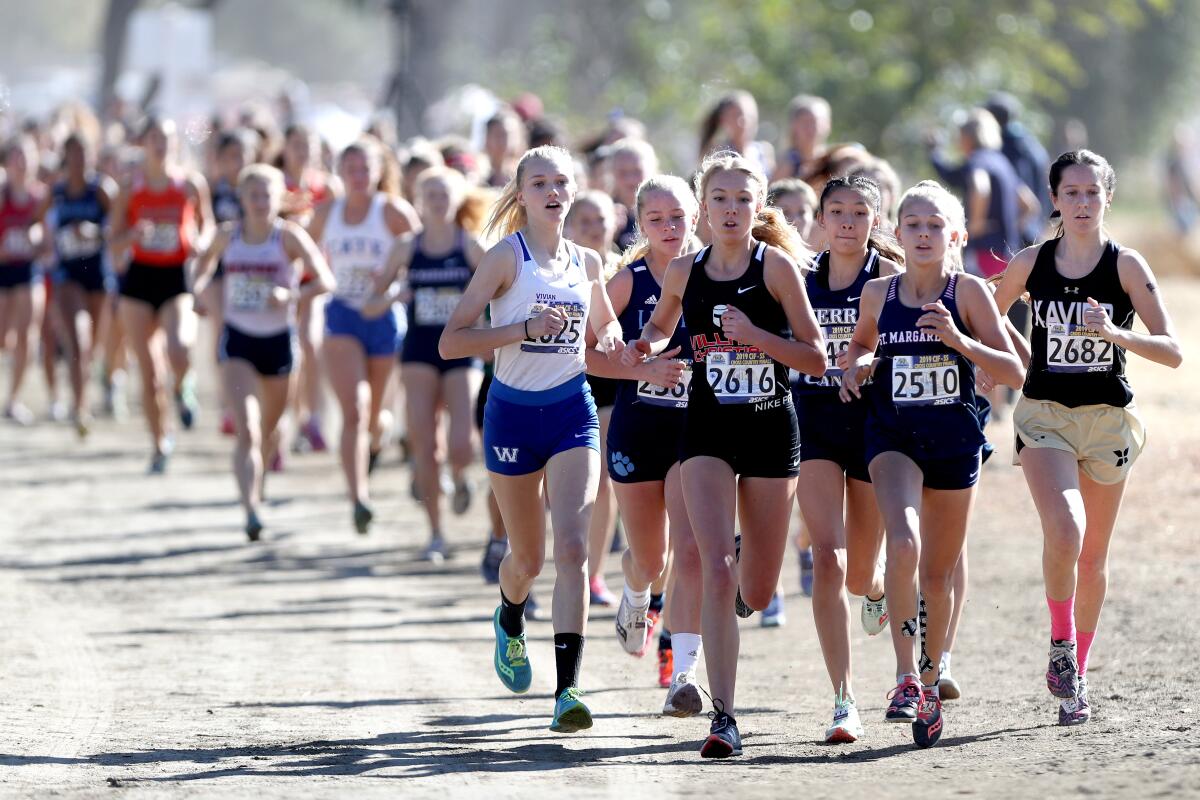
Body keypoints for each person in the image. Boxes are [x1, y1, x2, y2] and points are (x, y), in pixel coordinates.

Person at [624, 150, 825, 757]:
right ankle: (725, 718)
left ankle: (743, 579)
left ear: (758, 206)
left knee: (756, 592)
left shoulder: (778, 269)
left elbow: (815, 356)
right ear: (703, 208)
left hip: (768, 429)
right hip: (706, 429)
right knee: (711, 565)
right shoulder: (684, 270)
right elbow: (662, 324)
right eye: (719, 200)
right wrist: (645, 346)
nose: (731, 210)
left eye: (742, 200)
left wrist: (758, 338)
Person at [990, 150, 1182, 726]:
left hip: (1108, 421)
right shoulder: (1030, 263)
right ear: (1053, 199)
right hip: (1045, 414)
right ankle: (1060, 643)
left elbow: (1172, 350)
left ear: (1107, 199)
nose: (1081, 203)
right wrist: (1016, 358)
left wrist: (1117, 334)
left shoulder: (1125, 266)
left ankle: (1077, 679)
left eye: (1092, 193)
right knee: (1066, 528)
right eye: (1070, 192)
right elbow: (985, 313)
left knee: (1093, 558)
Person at [439, 145, 623, 733]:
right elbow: (452, 341)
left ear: (573, 191)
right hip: (513, 417)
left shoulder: (589, 263)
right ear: (521, 194)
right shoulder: (504, 259)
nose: (551, 191)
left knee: (573, 548)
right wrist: (520, 328)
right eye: (538, 182)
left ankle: (567, 689)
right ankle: (510, 616)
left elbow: (601, 326)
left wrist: (615, 333)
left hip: (573, 411)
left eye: (560, 182)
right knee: (528, 557)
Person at [842, 180, 1025, 749]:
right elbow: (861, 350)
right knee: (902, 544)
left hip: (953, 441)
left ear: (957, 235)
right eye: (913, 225)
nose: (924, 234)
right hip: (891, 435)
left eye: (935, 226)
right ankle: (904, 678)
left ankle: (930, 675)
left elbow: (1016, 371)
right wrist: (860, 366)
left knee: (939, 575)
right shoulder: (878, 292)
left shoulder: (968, 292)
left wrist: (961, 343)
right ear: (897, 233)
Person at [585, 174, 704, 714]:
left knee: (691, 546)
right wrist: (643, 370)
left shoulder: (719, 272)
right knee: (650, 558)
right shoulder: (627, 282)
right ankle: (636, 596)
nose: (669, 227)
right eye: (656, 219)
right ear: (640, 223)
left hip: (697, 431)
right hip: (639, 426)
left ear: (695, 214)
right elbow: (585, 355)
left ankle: (683, 671)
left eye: (677, 216)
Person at [795, 175, 905, 742]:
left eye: (859, 212)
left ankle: (880, 590)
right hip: (812, 427)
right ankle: (844, 699)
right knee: (828, 561)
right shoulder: (799, 279)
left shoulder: (889, 281)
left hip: (871, 430)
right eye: (835, 210)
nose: (845, 221)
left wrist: (867, 363)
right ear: (819, 219)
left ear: (875, 221)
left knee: (861, 574)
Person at [193, 164, 334, 540]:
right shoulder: (228, 236)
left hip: (279, 343)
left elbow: (326, 281)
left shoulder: (288, 238)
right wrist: (199, 291)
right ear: (241, 199)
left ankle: (262, 478)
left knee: (270, 432)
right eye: (252, 195)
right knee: (248, 433)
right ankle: (251, 509)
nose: (259, 202)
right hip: (238, 340)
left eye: (266, 195)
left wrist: (291, 295)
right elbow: (201, 267)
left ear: (278, 199)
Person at [309, 137, 419, 534]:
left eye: (364, 169)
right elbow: (299, 258)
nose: (357, 176)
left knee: (373, 418)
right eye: (350, 168)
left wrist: (393, 288)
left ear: (378, 172)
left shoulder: (392, 213)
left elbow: (421, 257)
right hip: (342, 314)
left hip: (384, 318)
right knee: (353, 411)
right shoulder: (326, 214)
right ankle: (359, 498)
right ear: (339, 173)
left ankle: (379, 437)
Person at [108, 117, 213, 472]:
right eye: (153, 138)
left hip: (175, 276)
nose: (160, 145)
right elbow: (113, 239)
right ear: (143, 144)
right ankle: (160, 442)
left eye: (165, 139)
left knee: (179, 350)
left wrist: (200, 238)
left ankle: (185, 385)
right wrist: (134, 236)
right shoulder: (130, 188)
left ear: (175, 144)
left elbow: (208, 224)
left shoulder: (189, 185)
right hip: (138, 281)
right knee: (150, 373)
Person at [395, 166, 485, 561]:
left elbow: (503, 286)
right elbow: (373, 295)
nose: (437, 200)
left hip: (461, 348)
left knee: (462, 441)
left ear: (458, 199)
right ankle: (435, 533)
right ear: (419, 200)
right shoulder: (406, 247)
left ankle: (460, 474)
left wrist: (483, 317)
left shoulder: (470, 245)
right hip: (418, 348)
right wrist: (392, 294)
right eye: (430, 194)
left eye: (444, 193)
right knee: (424, 443)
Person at [564, 190, 622, 605]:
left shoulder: (628, 266)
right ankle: (564, 565)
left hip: (613, 383)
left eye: (599, 220)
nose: (593, 228)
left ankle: (594, 574)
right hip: (565, 378)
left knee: (603, 482)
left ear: (615, 221)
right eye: (583, 220)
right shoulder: (559, 267)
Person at [46, 133, 117, 437]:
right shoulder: (57, 192)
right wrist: (43, 241)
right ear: (65, 156)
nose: (78, 159)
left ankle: (97, 386)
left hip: (97, 276)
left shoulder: (101, 189)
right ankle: (81, 407)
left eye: (83, 152)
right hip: (67, 275)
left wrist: (95, 233)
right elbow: (38, 224)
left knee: (93, 349)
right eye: (73, 153)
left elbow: (118, 227)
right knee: (78, 341)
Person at [279, 124, 337, 454]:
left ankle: (313, 417)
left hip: (316, 278)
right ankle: (290, 417)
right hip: (284, 279)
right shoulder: (275, 185)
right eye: (297, 145)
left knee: (311, 343)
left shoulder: (327, 188)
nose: (303, 152)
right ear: (285, 148)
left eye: (309, 146)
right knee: (293, 352)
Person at [0, 135, 49, 426]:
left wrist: (39, 241)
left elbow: (50, 243)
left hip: (29, 270)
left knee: (27, 337)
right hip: (2, 271)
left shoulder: (41, 197)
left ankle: (13, 400)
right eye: (16, 155)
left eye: (27, 155)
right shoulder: (1, 193)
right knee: (3, 338)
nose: (22, 161)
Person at [698, 91, 775, 176]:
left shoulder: (763, 151)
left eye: (750, 116)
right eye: (737, 116)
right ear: (723, 120)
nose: (744, 121)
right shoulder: (718, 153)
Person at [774, 95, 831, 182]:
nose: (811, 128)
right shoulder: (784, 164)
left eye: (815, 122)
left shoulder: (834, 161)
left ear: (828, 125)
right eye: (805, 122)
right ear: (793, 126)